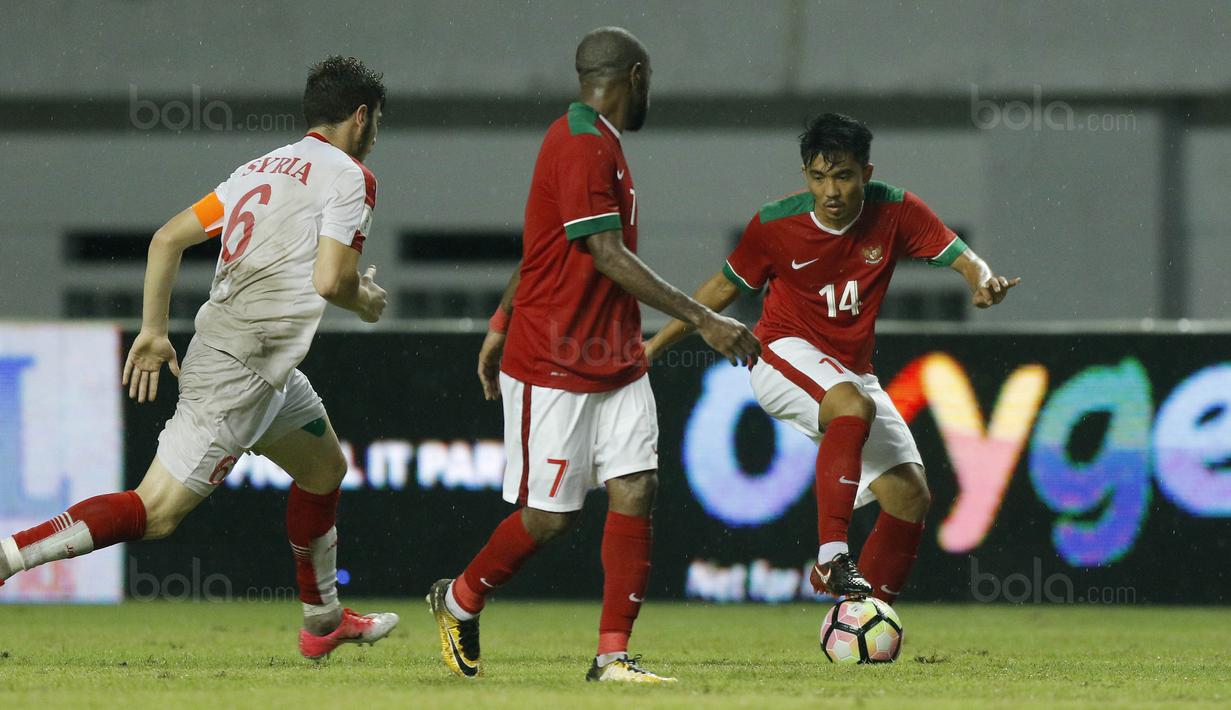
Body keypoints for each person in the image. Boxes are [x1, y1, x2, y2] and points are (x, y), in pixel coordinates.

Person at [0, 56, 398, 660]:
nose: (375, 139)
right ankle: (10, 556)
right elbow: (331, 280)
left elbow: (167, 239)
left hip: (265, 368)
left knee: (323, 472)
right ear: (362, 118)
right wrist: (367, 300)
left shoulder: (258, 168)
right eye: (377, 125)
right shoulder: (349, 176)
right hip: (239, 369)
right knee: (155, 512)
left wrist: (155, 330)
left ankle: (322, 623)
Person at [426, 27, 760, 684]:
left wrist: (497, 316)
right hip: (554, 360)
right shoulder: (580, 145)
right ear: (634, 77)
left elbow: (542, 244)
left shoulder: (593, 141)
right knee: (551, 517)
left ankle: (612, 656)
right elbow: (603, 254)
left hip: (614, 356)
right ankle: (459, 598)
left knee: (637, 486)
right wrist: (703, 318)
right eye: (649, 83)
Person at [645, 113, 1020, 605]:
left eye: (843, 176)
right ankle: (831, 557)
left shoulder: (896, 209)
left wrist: (981, 280)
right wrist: (653, 347)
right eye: (819, 177)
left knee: (910, 495)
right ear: (806, 176)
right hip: (780, 352)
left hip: (851, 371)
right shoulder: (776, 224)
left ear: (866, 172)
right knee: (851, 406)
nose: (831, 191)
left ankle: (863, 621)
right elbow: (718, 289)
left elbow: (963, 256)